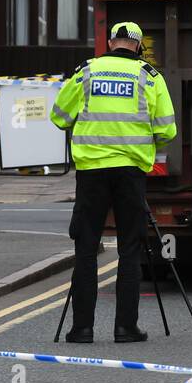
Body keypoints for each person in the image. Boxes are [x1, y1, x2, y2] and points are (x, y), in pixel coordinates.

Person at [50, 21, 177, 344]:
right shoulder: (149, 76)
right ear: (138, 45)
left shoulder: (86, 71)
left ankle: (81, 329)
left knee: (86, 249)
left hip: (91, 172)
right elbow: (167, 131)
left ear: (110, 42)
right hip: (130, 173)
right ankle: (125, 328)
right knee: (130, 250)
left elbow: (59, 117)